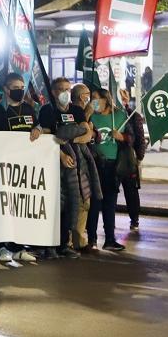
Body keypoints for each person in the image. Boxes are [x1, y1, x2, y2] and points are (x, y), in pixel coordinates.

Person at [0, 73, 42, 263]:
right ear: (6, 90)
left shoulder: (29, 109)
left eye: (22, 86)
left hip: (24, 168)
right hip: (2, 169)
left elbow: (36, 129)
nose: (20, 90)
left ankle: (17, 248)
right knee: (3, 208)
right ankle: (1, 248)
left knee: (21, 208)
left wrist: (38, 129)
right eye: (15, 87)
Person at [38, 77, 94, 259]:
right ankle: (50, 246)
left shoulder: (76, 110)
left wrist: (67, 138)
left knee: (71, 204)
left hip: (75, 165)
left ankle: (64, 244)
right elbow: (46, 138)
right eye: (60, 89)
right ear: (53, 92)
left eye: (67, 89)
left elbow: (86, 133)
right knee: (54, 207)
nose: (64, 92)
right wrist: (61, 153)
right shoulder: (47, 111)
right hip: (55, 165)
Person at [86, 88, 127, 252]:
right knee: (94, 203)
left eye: (96, 99)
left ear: (106, 99)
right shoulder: (91, 116)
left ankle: (110, 239)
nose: (93, 102)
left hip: (112, 165)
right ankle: (92, 239)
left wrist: (122, 137)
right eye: (91, 99)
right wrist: (87, 113)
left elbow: (131, 138)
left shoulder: (119, 116)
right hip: (95, 164)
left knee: (110, 203)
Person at [69, 83, 102, 253]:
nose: (90, 98)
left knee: (85, 202)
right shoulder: (75, 111)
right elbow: (80, 135)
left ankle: (79, 241)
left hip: (85, 162)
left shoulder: (85, 113)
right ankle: (73, 241)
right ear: (82, 97)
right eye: (87, 94)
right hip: (76, 161)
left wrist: (92, 132)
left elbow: (94, 134)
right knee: (79, 202)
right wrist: (87, 121)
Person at [119, 88, 147, 229]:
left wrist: (139, 156)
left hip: (129, 160)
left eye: (123, 99)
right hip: (113, 160)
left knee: (131, 191)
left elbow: (140, 139)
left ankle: (134, 219)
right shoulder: (111, 115)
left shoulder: (133, 116)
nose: (121, 102)